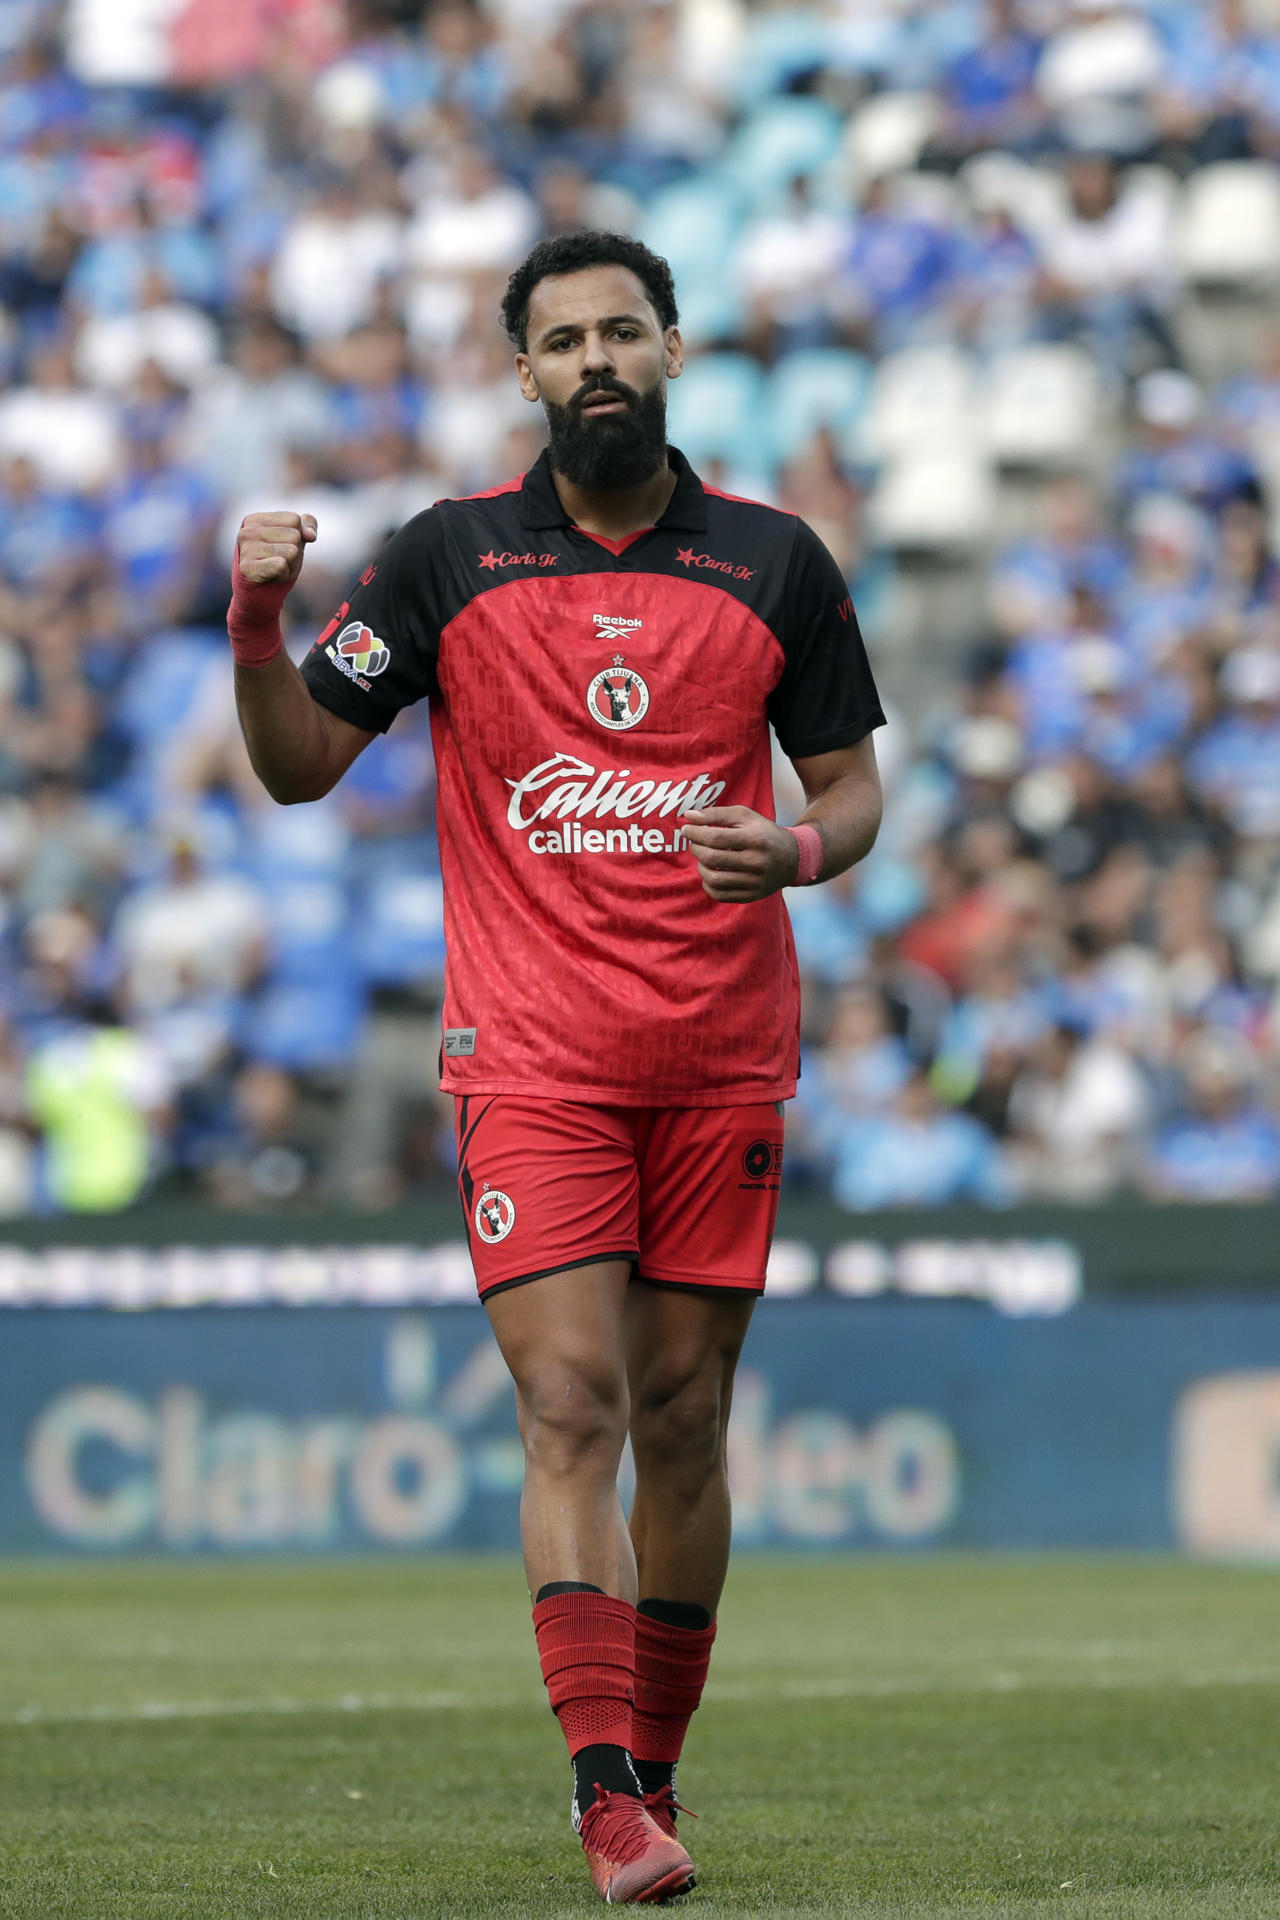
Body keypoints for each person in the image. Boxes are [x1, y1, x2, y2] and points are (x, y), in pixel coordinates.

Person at [223, 230, 884, 1905]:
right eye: (563, 338)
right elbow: (301, 767)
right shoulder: (445, 559)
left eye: (621, 331)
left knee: (686, 1416)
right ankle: (604, 1798)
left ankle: (652, 1771)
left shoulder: (779, 563)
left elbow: (853, 789)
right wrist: (252, 618)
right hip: (531, 1057)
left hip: (723, 1057)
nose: (595, 359)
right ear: (522, 372)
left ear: (674, 351)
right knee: (571, 1400)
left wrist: (796, 854)